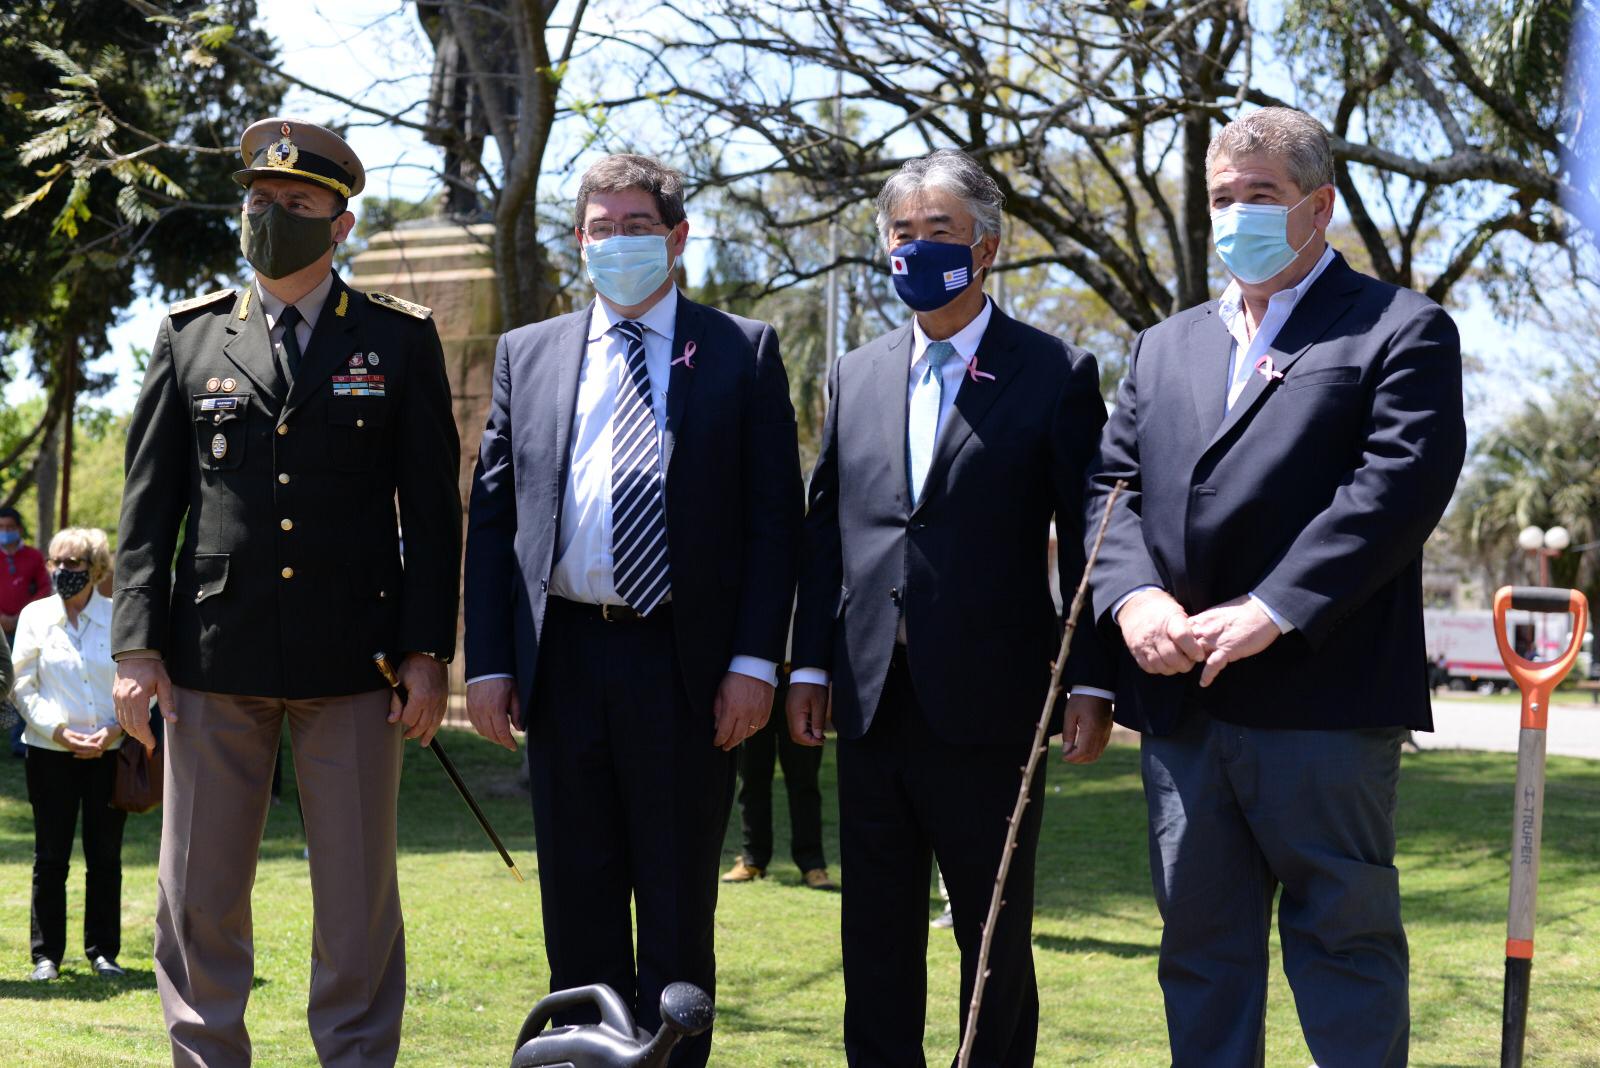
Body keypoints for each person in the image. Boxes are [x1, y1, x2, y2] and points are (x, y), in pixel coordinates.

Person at [1086, 107, 1466, 1068]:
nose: (1238, 216)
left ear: (1320, 206)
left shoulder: (1400, 328)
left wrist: (1272, 609)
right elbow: (1109, 491)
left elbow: (1393, 489)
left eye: (1263, 196)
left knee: (1345, 952)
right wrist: (1134, 601)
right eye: (1222, 198)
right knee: (1202, 961)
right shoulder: (1161, 348)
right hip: (1183, 712)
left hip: (1322, 709)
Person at [111, 117, 461, 1068]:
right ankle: (204, 1054)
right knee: (198, 890)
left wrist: (429, 650)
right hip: (212, 655)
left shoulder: (396, 340)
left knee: (355, 898)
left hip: (357, 659)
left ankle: (355, 1056)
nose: (271, 220)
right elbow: (147, 510)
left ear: (341, 224)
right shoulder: (189, 338)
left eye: (297, 207)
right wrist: (135, 648)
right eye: (258, 203)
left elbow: (433, 514)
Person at [463, 153, 802, 1068]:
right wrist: (489, 664)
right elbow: (493, 522)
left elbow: (777, 524)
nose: (618, 242)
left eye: (637, 226)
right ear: (579, 243)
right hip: (563, 664)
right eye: (600, 228)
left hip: (686, 671)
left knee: (678, 911)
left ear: (678, 238)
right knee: (577, 909)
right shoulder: (526, 355)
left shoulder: (743, 352)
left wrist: (754, 664)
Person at [787, 148, 1116, 1068]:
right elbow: (827, 530)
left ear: (987, 249)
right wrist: (807, 664)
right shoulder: (855, 373)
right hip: (869, 701)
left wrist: (1090, 679)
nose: (917, 249)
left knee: (993, 939)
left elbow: (1092, 538)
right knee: (876, 939)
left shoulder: (1055, 372)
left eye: (940, 232)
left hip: (993, 705)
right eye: (902, 233)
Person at [11, 528, 125, 982]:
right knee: (51, 856)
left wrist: (114, 728)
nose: (62, 572)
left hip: (109, 751)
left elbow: (142, 685)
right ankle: (46, 956)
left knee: (105, 855)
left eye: (73, 565)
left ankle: (103, 951)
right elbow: (22, 685)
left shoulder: (120, 617)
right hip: (49, 753)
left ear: (95, 569)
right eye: (56, 564)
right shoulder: (35, 616)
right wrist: (59, 732)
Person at [721, 666, 835, 890]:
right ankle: (752, 858)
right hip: (756, 677)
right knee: (751, 777)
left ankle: (812, 863)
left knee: (805, 780)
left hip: (803, 679)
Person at [1, 506, 52, 757]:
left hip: (26, 628)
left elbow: (44, 588)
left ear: (20, 529)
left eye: (10, 527)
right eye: (1, 528)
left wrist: (20, 615)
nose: (5, 532)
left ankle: (20, 740)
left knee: (21, 680)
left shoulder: (33, 556)